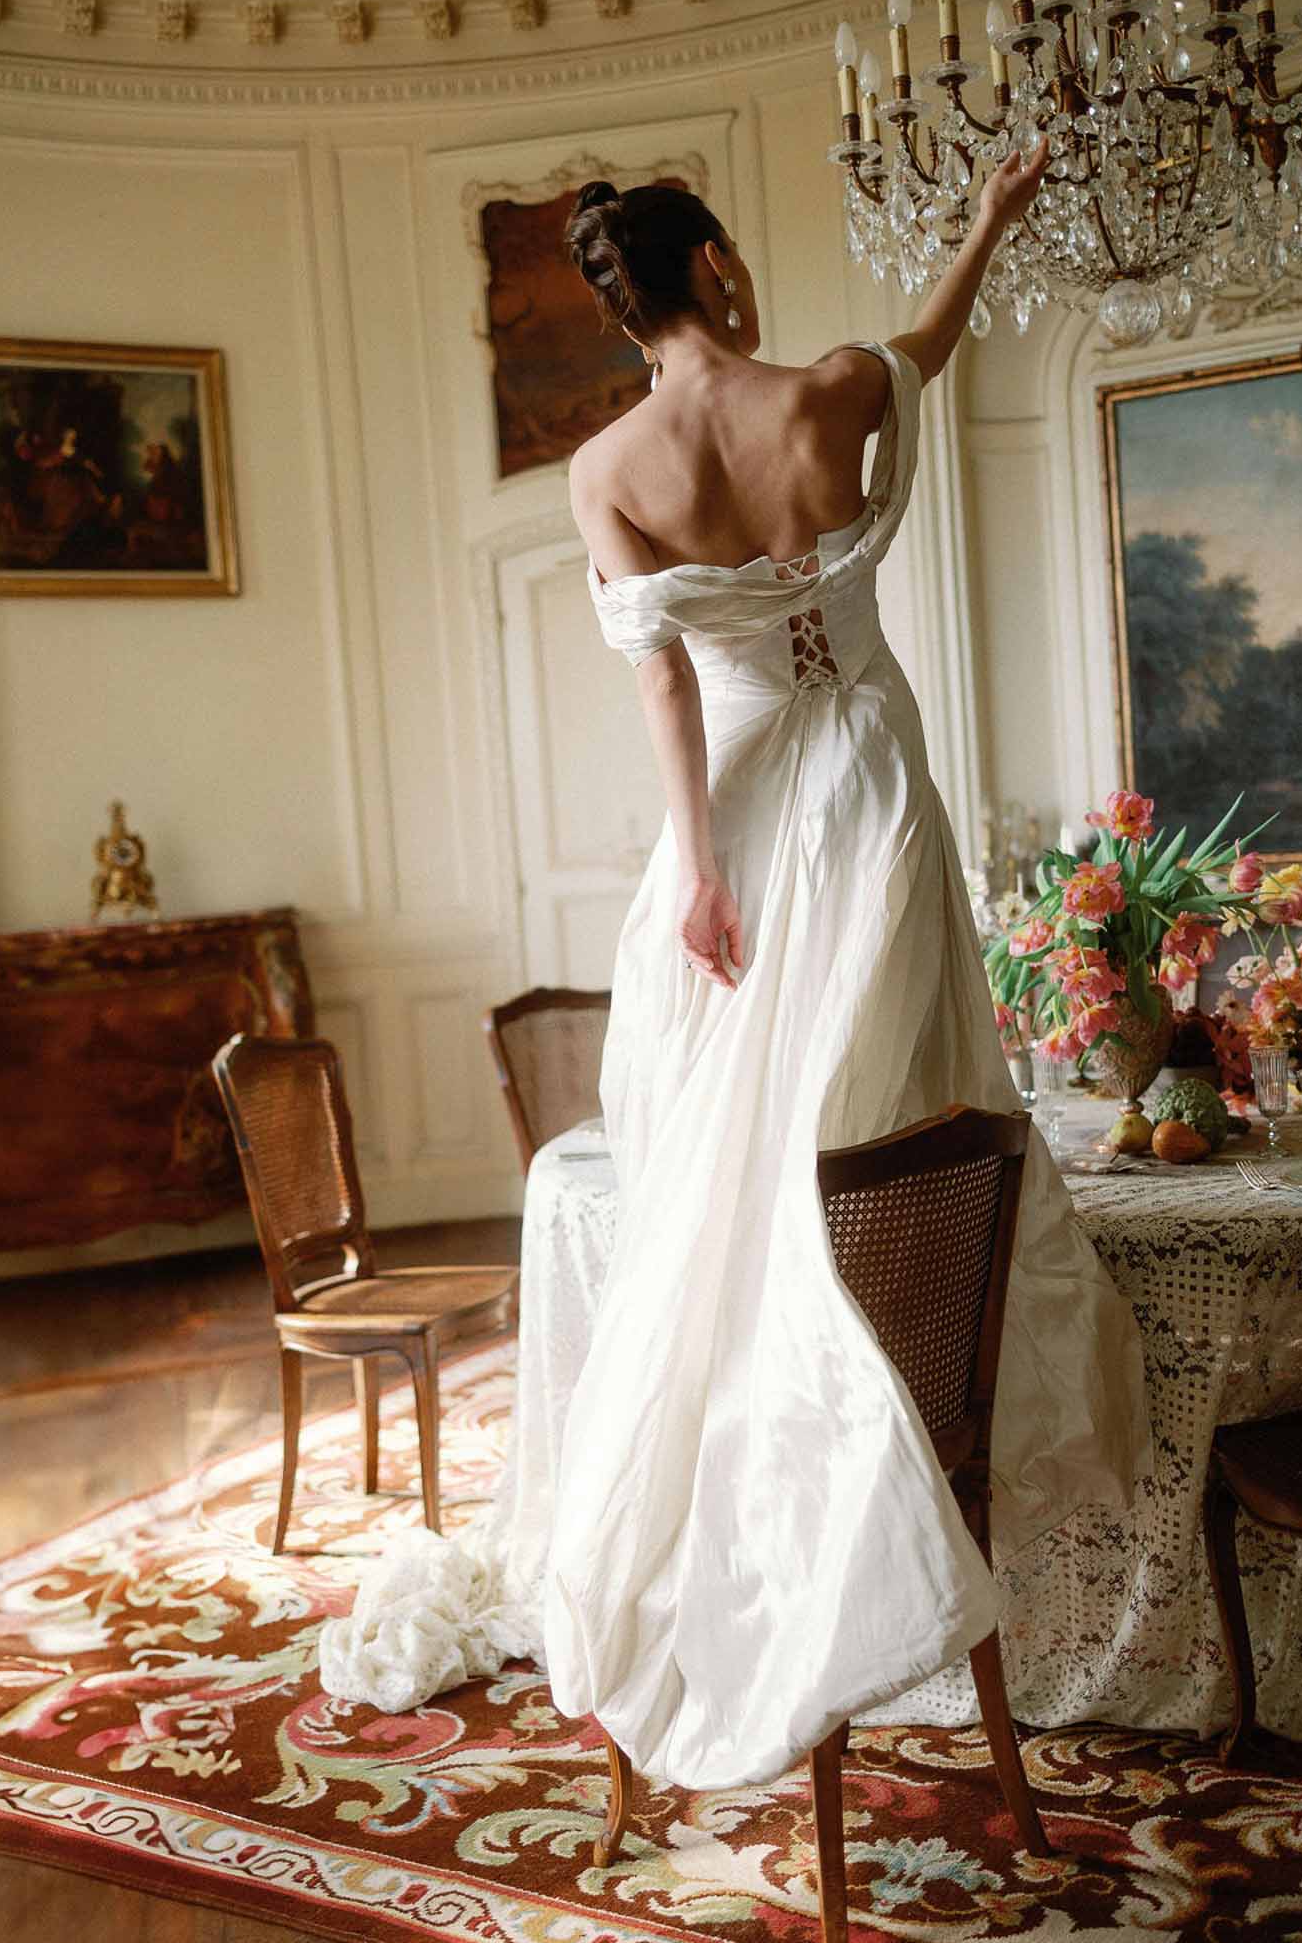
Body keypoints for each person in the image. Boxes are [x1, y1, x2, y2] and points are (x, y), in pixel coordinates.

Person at [320, 164, 1150, 1796]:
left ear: (626, 301)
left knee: (747, 1165)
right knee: (891, 1119)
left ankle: (796, 1489)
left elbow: (667, 695)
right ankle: (906, 1414)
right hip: (874, 789)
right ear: (715, 263)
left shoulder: (607, 467)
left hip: (752, 810)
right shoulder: (828, 390)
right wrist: (982, 214)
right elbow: (931, 338)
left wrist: (697, 868)